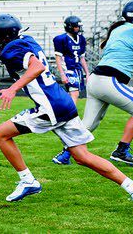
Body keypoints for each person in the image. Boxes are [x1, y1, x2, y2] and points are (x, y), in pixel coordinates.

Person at [0, 13, 133, 215]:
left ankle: (28, 181)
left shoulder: (12, 50)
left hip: (49, 107)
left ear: (4, 37)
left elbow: (37, 66)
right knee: (82, 156)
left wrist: (13, 88)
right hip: (63, 103)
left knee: (1, 134)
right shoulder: (25, 40)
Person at [82, 0, 133, 166]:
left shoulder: (119, 28)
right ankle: (121, 150)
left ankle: (64, 153)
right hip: (110, 80)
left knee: (88, 125)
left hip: (95, 80)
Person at [51, 16, 90, 165]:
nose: (78, 29)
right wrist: (62, 74)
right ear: (69, 27)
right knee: (73, 95)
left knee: (75, 94)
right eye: (75, 26)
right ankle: (68, 115)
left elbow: (82, 58)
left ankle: (66, 112)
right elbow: (58, 59)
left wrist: (87, 73)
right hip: (69, 71)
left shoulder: (81, 39)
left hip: (78, 70)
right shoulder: (61, 39)